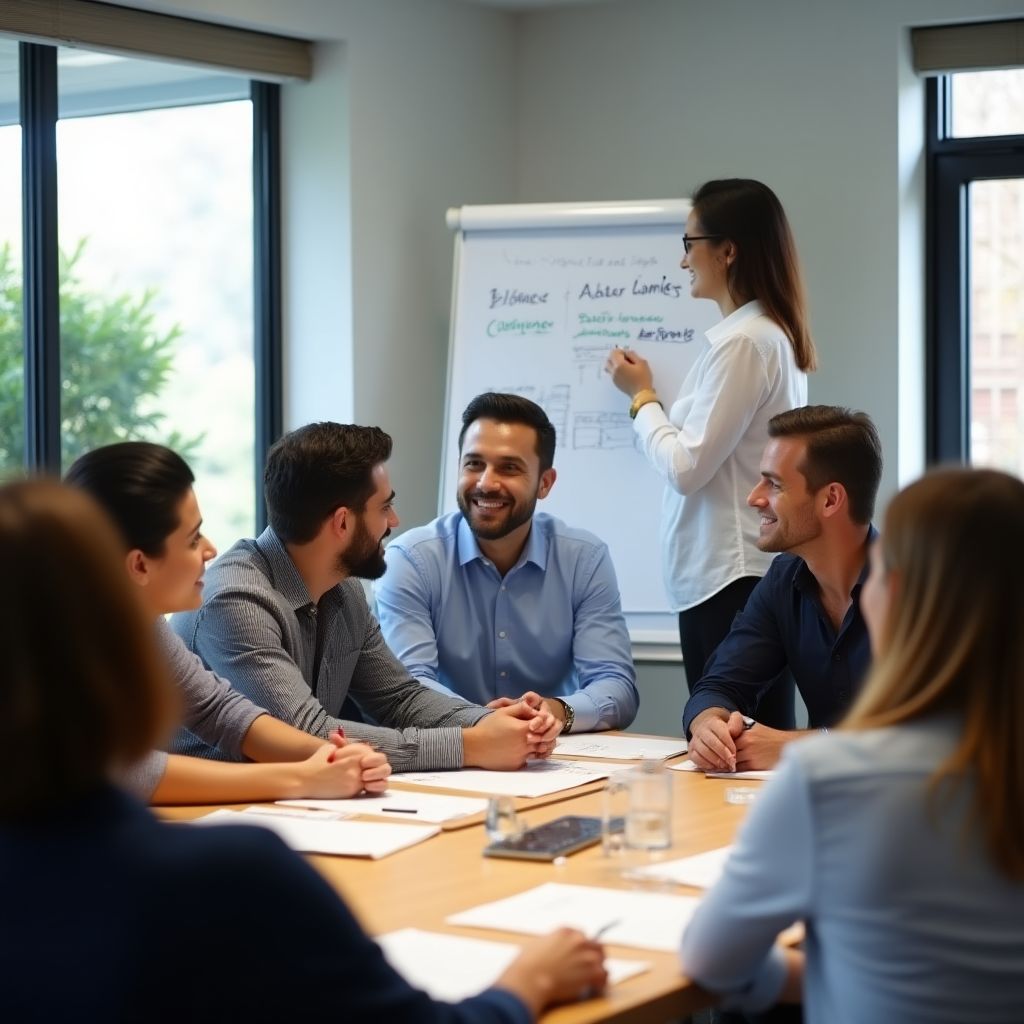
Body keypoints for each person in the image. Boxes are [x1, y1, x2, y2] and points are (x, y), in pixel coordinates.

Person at [0, 479, 608, 1022]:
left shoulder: (344, 595)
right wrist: (531, 982)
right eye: (192, 536)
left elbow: (260, 709)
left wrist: (485, 727)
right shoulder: (233, 875)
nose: (209, 549)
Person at [681, 467, 1024, 1023]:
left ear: (903, 598)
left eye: (881, 574)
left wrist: (826, 972)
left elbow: (711, 960)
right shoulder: (785, 581)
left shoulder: (828, 781)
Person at [172, 422, 560, 771]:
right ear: (342, 522)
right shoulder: (235, 600)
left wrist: (491, 723)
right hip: (205, 815)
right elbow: (309, 735)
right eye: (385, 506)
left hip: (296, 800)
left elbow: (398, 698)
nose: (394, 522)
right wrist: (469, 746)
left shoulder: (342, 587)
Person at [65, 442, 391, 804]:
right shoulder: (52, 638)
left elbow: (218, 709)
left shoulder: (139, 621)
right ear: (139, 565)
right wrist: (300, 778)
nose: (209, 549)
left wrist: (332, 755)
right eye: (192, 539)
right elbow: (127, 771)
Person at [606, 179, 816, 729]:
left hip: (732, 577)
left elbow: (686, 467)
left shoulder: (746, 344)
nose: (682, 262)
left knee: (730, 743)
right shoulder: (756, 338)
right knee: (738, 741)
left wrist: (642, 400)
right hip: (728, 575)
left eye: (689, 242)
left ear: (727, 250)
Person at [376, 392, 638, 734]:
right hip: (448, 755)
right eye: (473, 464)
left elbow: (615, 684)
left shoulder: (584, 559)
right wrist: (487, 722)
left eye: (509, 468)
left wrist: (555, 711)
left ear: (545, 483)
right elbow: (410, 687)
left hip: (553, 756)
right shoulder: (411, 560)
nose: (486, 482)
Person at [683, 406, 881, 772]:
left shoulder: (917, 586)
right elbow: (720, 684)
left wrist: (799, 746)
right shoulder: (783, 580)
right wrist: (709, 725)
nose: (754, 498)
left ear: (830, 499)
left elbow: (933, 732)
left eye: (774, 484)